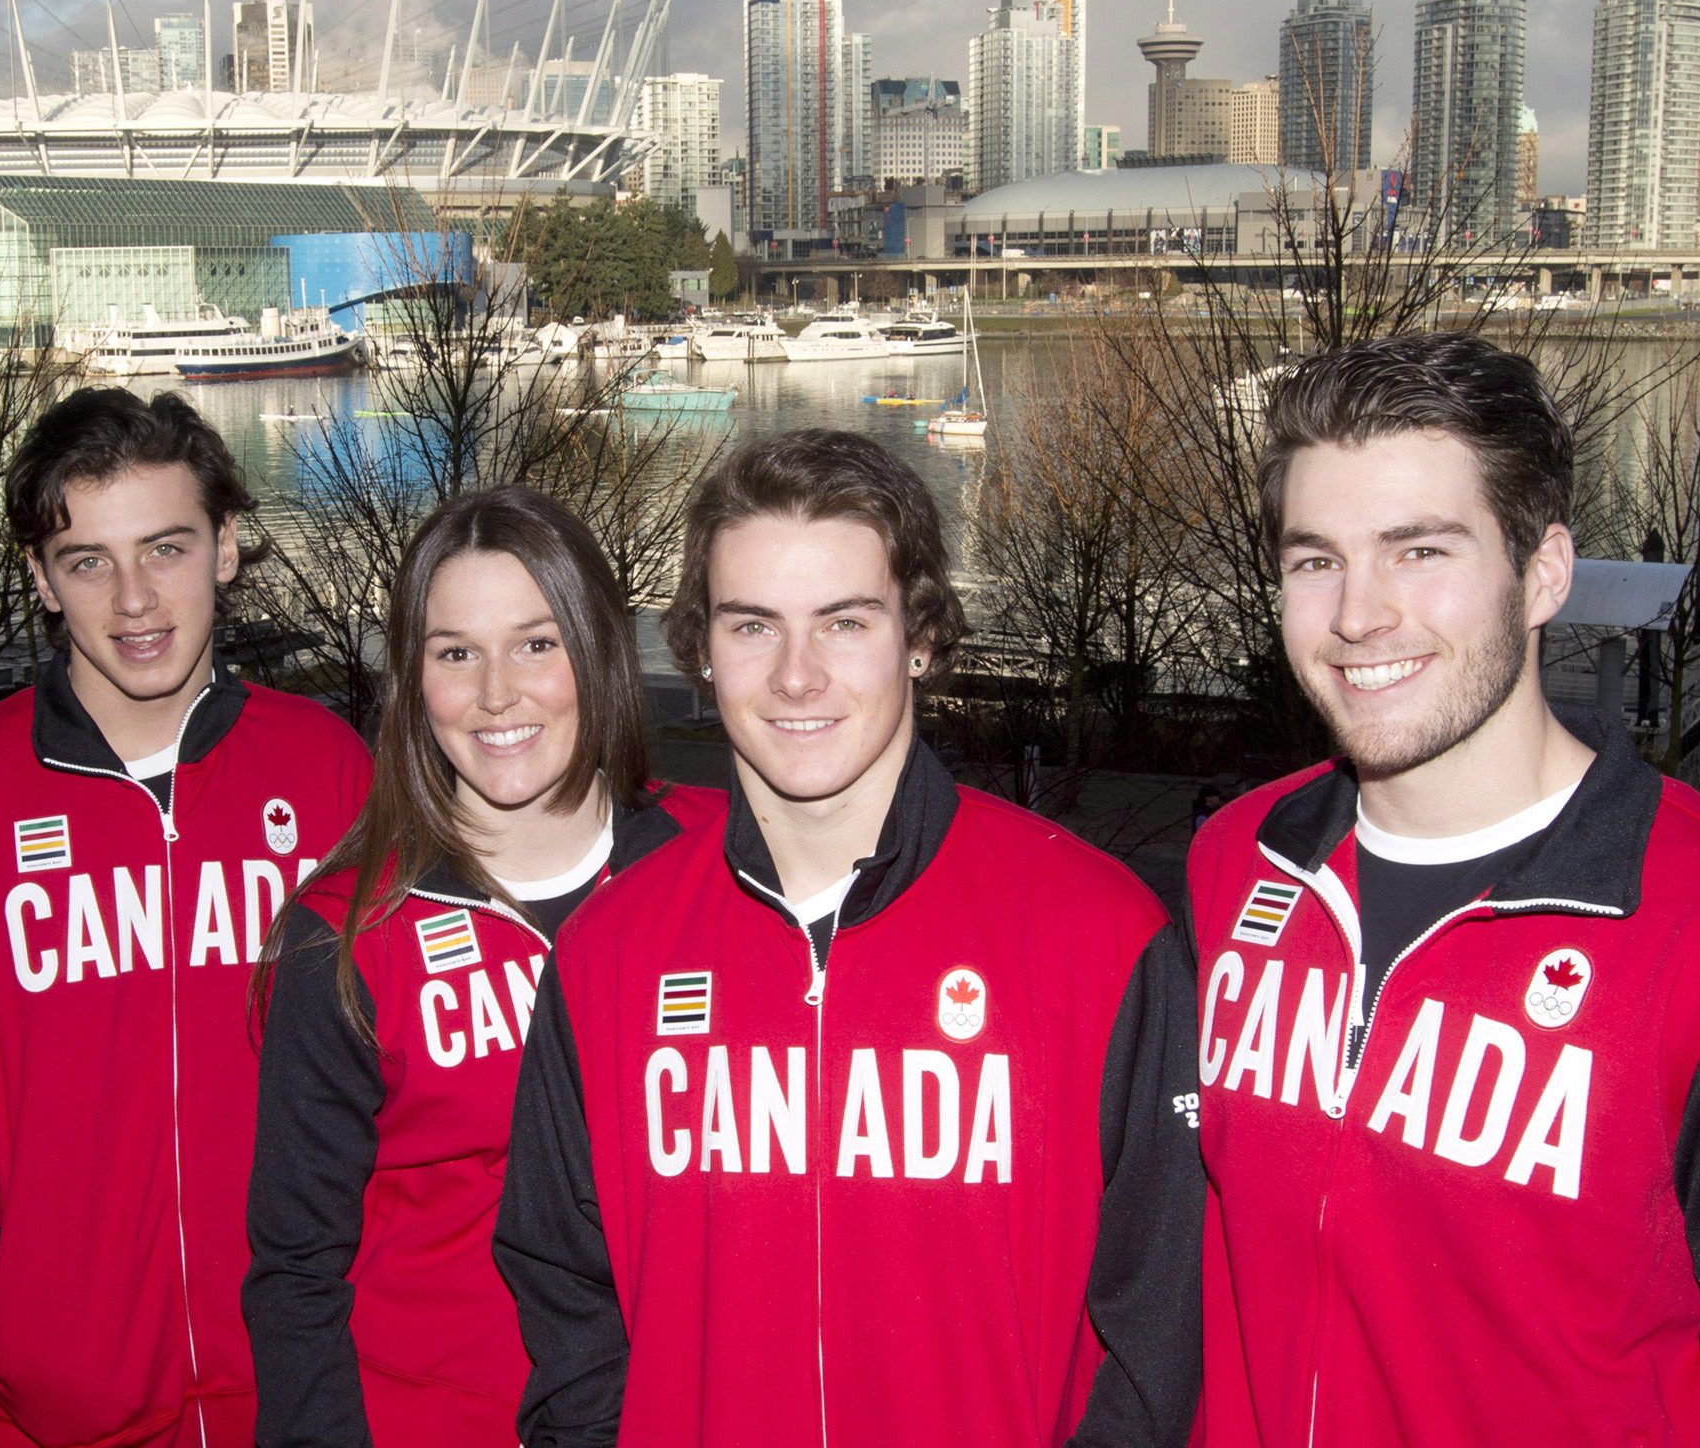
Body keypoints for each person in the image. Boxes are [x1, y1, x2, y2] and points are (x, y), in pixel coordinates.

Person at [1189, 335, 1700, 1444]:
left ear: (1543, 571)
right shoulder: (1239, 857)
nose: (1357, 614)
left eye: (1420, 549)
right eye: (1313, 558)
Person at [496, 429, 1200, 1447]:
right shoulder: (610, 951)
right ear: (697, 647)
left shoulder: (1099, 935)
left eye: (843, 621)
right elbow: (563, 1291)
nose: (795, 675)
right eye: (751, 625)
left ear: (918, 634)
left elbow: (1158, 1329)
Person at [0, 388, 373, 1448]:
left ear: (224, 546)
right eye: (88, 560)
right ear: (40, 577)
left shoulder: (332, 770)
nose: (135, 599)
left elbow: (392, 1073)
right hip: (44, 1409)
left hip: (302, 1395)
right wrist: (10, 1315)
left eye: (166, 547)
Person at [246, 486, 705, 1446]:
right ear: (413, 681)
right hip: (441, 1418)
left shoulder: (718, 870)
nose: (498, 692)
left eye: (538, 643)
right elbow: (295, 1270)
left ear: (599, 649)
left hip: (692, 1409)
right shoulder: (344, 938)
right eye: (456, 653)